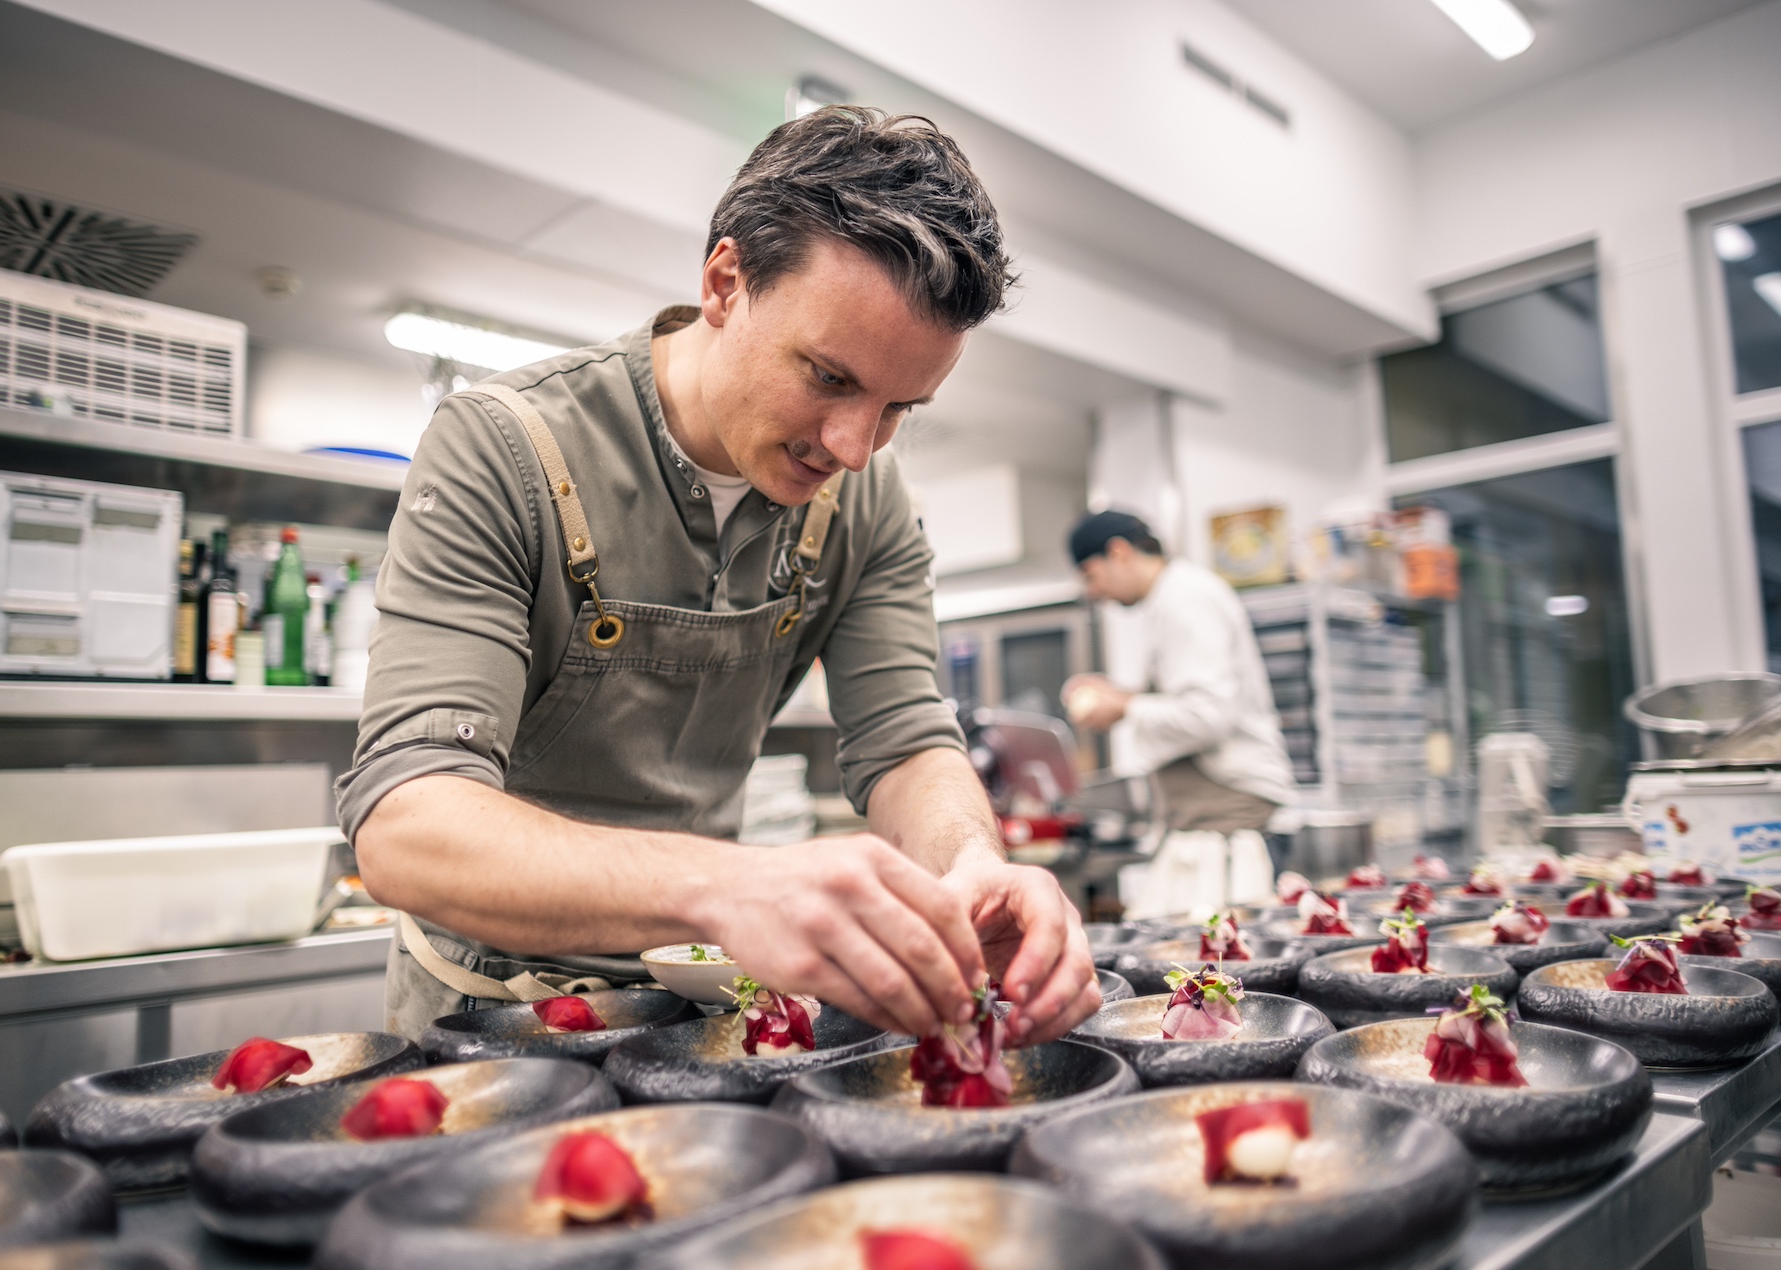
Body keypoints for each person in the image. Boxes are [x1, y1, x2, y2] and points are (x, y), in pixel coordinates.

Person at [338, 107, 1100, 1046]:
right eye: (828, 377)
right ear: (725, 283)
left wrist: (971, 864)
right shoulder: (503, 447)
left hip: (701, 1004)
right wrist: (731, 885)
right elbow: (407, 825)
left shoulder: (868, 500)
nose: (852, 447)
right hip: (486, 1016)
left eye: (899, 407)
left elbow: (904, 739)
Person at [1061, 510, 1294, 918]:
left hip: (1229, 817)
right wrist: (1121, 696)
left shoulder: (1185, 599)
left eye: (1091, 575)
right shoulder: (1169, 600)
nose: (1093, 591)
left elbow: (1208, 715)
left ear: (1119, 553)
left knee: (1222, 947)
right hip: (1205, 820)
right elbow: (1189, 698)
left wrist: (1125, 706)